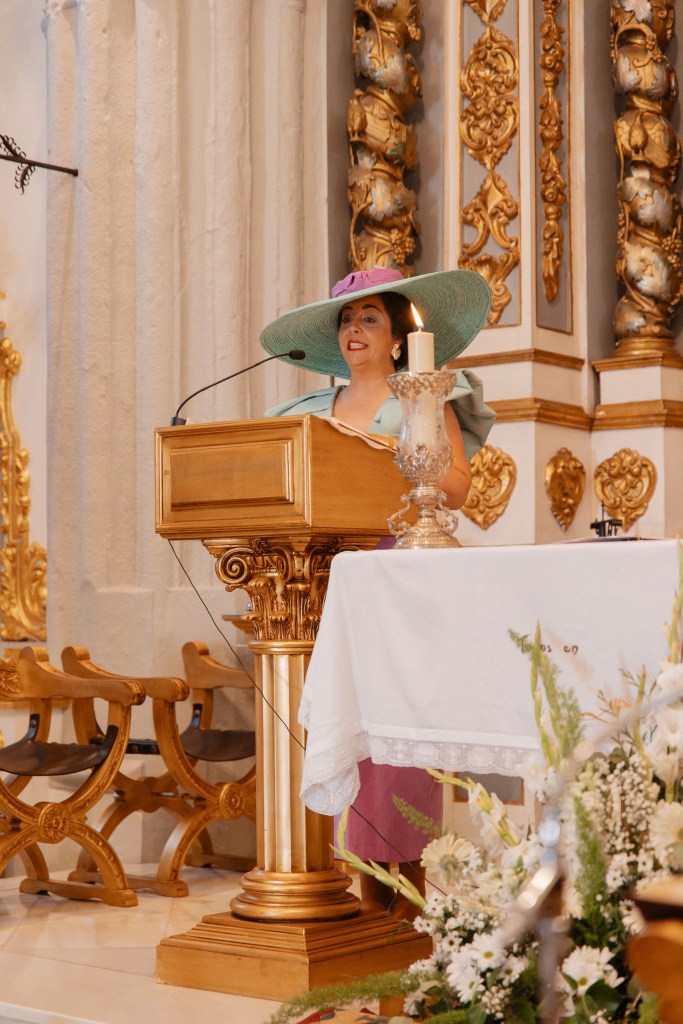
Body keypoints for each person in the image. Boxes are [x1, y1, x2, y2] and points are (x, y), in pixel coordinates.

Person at [259, 266, 495, 916]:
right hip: (316, 582)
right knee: (340, 731)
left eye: (369, 318)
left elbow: (456, 489)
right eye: (346, 319)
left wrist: (387, 456)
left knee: (394, 744)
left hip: (399, 579)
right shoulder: (304, 414)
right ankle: (355, 902)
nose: (354, 329)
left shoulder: (423, 398)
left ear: (397, 339)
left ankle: (406, 909)